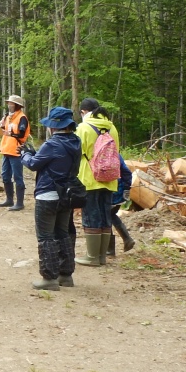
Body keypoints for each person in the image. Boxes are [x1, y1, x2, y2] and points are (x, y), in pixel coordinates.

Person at [20, 107, 82, 290]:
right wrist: (32, 154)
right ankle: (66, 275)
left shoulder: (52, 144)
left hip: (47, 194)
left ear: (54, 126)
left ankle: (49, 278)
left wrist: (25, 154)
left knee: (46, 237)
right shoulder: (75, 142)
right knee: (63, 234)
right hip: (66, 195)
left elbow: (33, 164)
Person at [75, 97, 120, 266]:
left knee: (91, 215)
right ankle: (101, 256)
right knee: (104, 214)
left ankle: (92, 256)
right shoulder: (112, 127)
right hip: (109, 178)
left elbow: (78, 152)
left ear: (84, 112)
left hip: (90, 178)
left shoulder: (83, 128)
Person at [0, 94, 30, 211]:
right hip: (6, 149)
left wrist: (8, 133)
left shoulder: (22, 118)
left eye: (11, 103)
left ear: (17, 105)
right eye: (8, 103)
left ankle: (20, 203)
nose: (9, 105)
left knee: (18, 177)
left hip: (16, 151)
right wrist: (1, 126)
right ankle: (9, 199)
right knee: (5, 176)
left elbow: (21, 134)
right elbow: (5, 131)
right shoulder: (8, 117)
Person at [108, 155, 136, 258]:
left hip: (111, 190)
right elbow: (127, 172)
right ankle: (126, 239)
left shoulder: (103, 154)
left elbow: (126, 172)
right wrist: (126, 188)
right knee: (111, 215)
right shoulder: (116, 155)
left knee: (107, 216)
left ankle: (110, 249)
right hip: (118, 190)